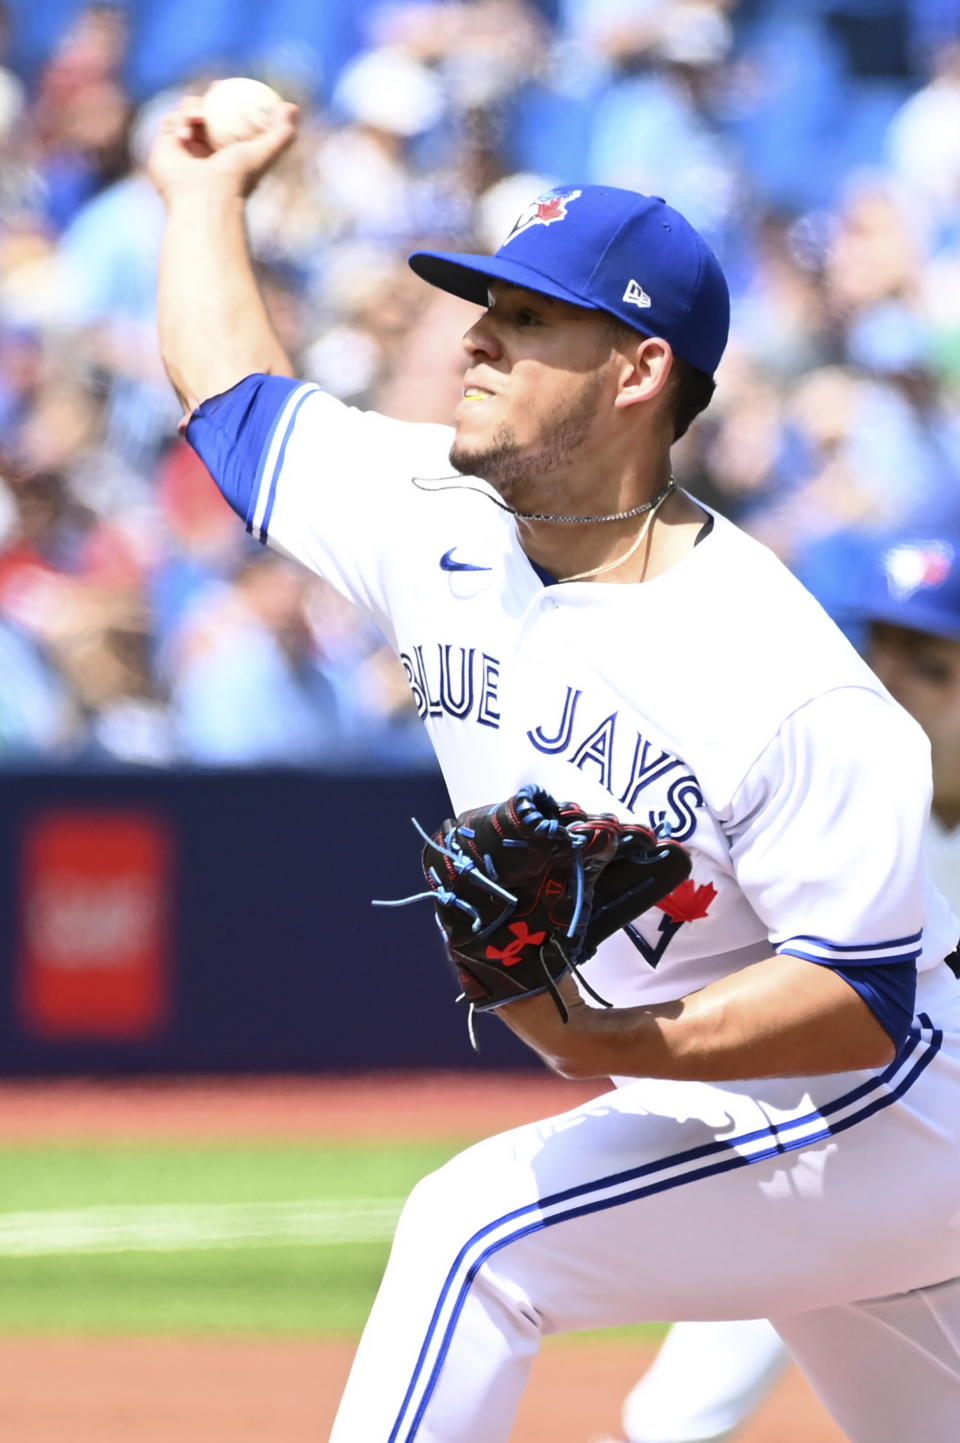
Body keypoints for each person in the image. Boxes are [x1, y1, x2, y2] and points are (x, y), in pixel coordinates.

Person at [148, 98, 960, 1443]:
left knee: (473, 1235)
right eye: (485, 304)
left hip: (879, 1112)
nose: (476, 335)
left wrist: (613, 1040)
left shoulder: (786, 677)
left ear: (639, 372)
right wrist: (202, 198)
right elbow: (233, 403)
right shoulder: (431, 522)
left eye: (528, 319)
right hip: (754, 1106)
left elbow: (858, 995)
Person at [598, 526, 960, 1443]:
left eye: (927, 663)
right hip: (890, 1142)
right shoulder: (845, 812)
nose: (893, 685)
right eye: (879, 656)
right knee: (810, 1180)